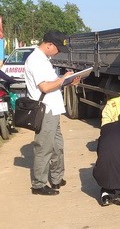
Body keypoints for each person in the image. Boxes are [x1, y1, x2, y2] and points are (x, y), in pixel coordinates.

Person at [24, 31, 80, 195]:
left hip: (53, 109)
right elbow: (45, 87)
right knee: (44, 147)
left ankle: (56, 178)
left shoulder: (44, 60)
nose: (58, 53)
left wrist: (67, 81)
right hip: (45, 110)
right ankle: (39, 184)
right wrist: (63, 79)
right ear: (49, 44)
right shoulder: (36, 60)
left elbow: (52, 84)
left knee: (57, 147)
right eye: (58, 49)